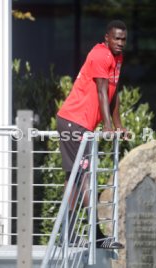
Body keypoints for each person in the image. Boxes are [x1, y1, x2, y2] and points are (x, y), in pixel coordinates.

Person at [56, 20, 127, 249]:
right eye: (116, 38)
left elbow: (113, 93)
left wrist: (118, 125)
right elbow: (101, 91)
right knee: (84, 177)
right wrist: (106, 126)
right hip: (73, 123)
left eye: (123, 39)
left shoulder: (117, 59)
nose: (120, 43)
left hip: (80, 125)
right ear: (106, 37)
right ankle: (95, 235)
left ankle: (68, 233)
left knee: (76, 178)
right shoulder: (100, 55)